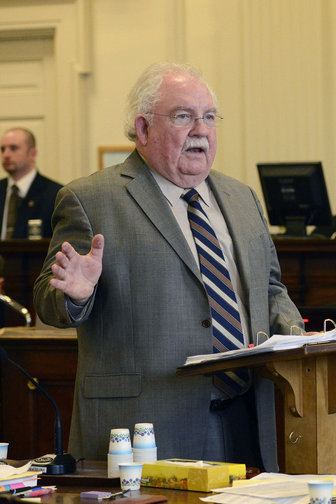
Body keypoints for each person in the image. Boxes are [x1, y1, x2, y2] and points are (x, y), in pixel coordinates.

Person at [33, 62, 305, 470]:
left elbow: (269, 288)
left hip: (247, 415)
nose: (202, 130)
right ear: (143, 129)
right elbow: (48, 300)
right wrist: (77, 294)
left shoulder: (241, 197)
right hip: (145, 425)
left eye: (209, 117)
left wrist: (301, 338)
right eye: (183, 117)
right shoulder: (89, 199)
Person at [0, 128, 62, 239]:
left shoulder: (55, 193)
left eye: (13, 148)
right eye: (3, 149)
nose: (6, 155)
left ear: (32, 153)